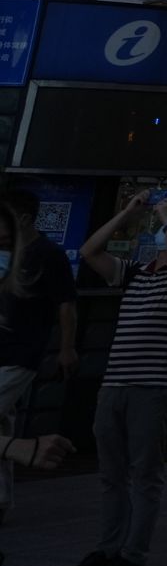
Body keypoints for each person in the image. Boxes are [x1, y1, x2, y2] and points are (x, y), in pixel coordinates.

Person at [72, 194, 167, 566]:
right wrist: (128, 214)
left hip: (154, 386)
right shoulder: (133, 272)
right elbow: (88, 251)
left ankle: (133, 556)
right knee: (111, 473)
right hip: (115, 383)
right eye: (166, 223)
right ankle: (108, 548)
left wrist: (165, 217)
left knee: (145, 474)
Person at [0, 184, 77, 528]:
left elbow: (66, 304)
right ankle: (3, 497)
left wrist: (66, 348)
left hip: (21, 353)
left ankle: (27, 452)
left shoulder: (48, 254)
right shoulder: (7, 252)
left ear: (25, 218)